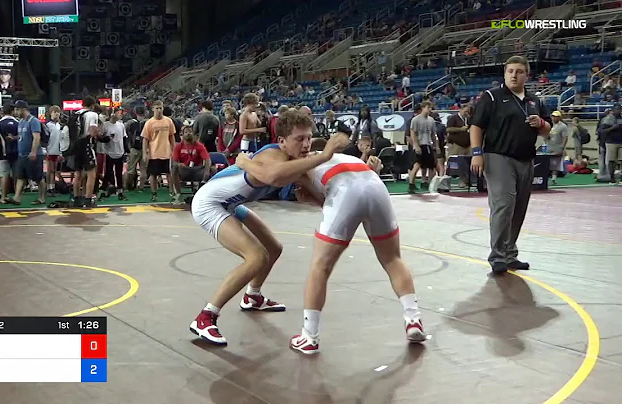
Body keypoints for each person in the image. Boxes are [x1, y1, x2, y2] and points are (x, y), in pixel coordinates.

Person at [237, 138, 425, 354]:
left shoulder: (302, 164)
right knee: (392, 259)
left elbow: (274, 177)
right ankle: (413, 319)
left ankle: (309, 336)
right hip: (374, 184)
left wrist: (246, 162)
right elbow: (325, 195)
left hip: (345, 191)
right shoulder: (343, 158)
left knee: (320, 267)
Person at [189, 110, 350, 346]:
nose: (306, 145)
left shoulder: (296, 162)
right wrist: (325, 155)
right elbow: (273, 177)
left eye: (308, 138)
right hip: (209, 205)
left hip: (232, 205)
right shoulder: (273, 156)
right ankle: (205, 317)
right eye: (299, 139)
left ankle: (252, 297)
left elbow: (322, 201)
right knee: (255, 258)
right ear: (282, 141)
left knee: (274, 248)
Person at [470, 55, 551, 275]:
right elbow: (476, 126)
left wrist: (541, 123)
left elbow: (547, 129)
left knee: (519, 209)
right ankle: (497, 256)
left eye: (519, 71)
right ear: (504, 73)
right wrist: (477, 153)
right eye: (510, 71)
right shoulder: (492, 97)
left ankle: (509, 254)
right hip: (498, 157)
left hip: (526, 159)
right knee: (504, 205)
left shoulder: (535, 100)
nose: (514, 75)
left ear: (527, 74)